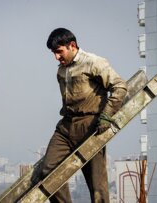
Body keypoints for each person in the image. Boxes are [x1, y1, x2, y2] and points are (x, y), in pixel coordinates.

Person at [40, 28, 127, 203]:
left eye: (59, 51)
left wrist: (106, 116)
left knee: (97, 188)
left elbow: (120, 87)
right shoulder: (61, 70)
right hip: (66, 126)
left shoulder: (94, 62)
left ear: (72, 45)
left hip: (91, 126)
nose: (56, 57)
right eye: (53, 53)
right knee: (48, 171)